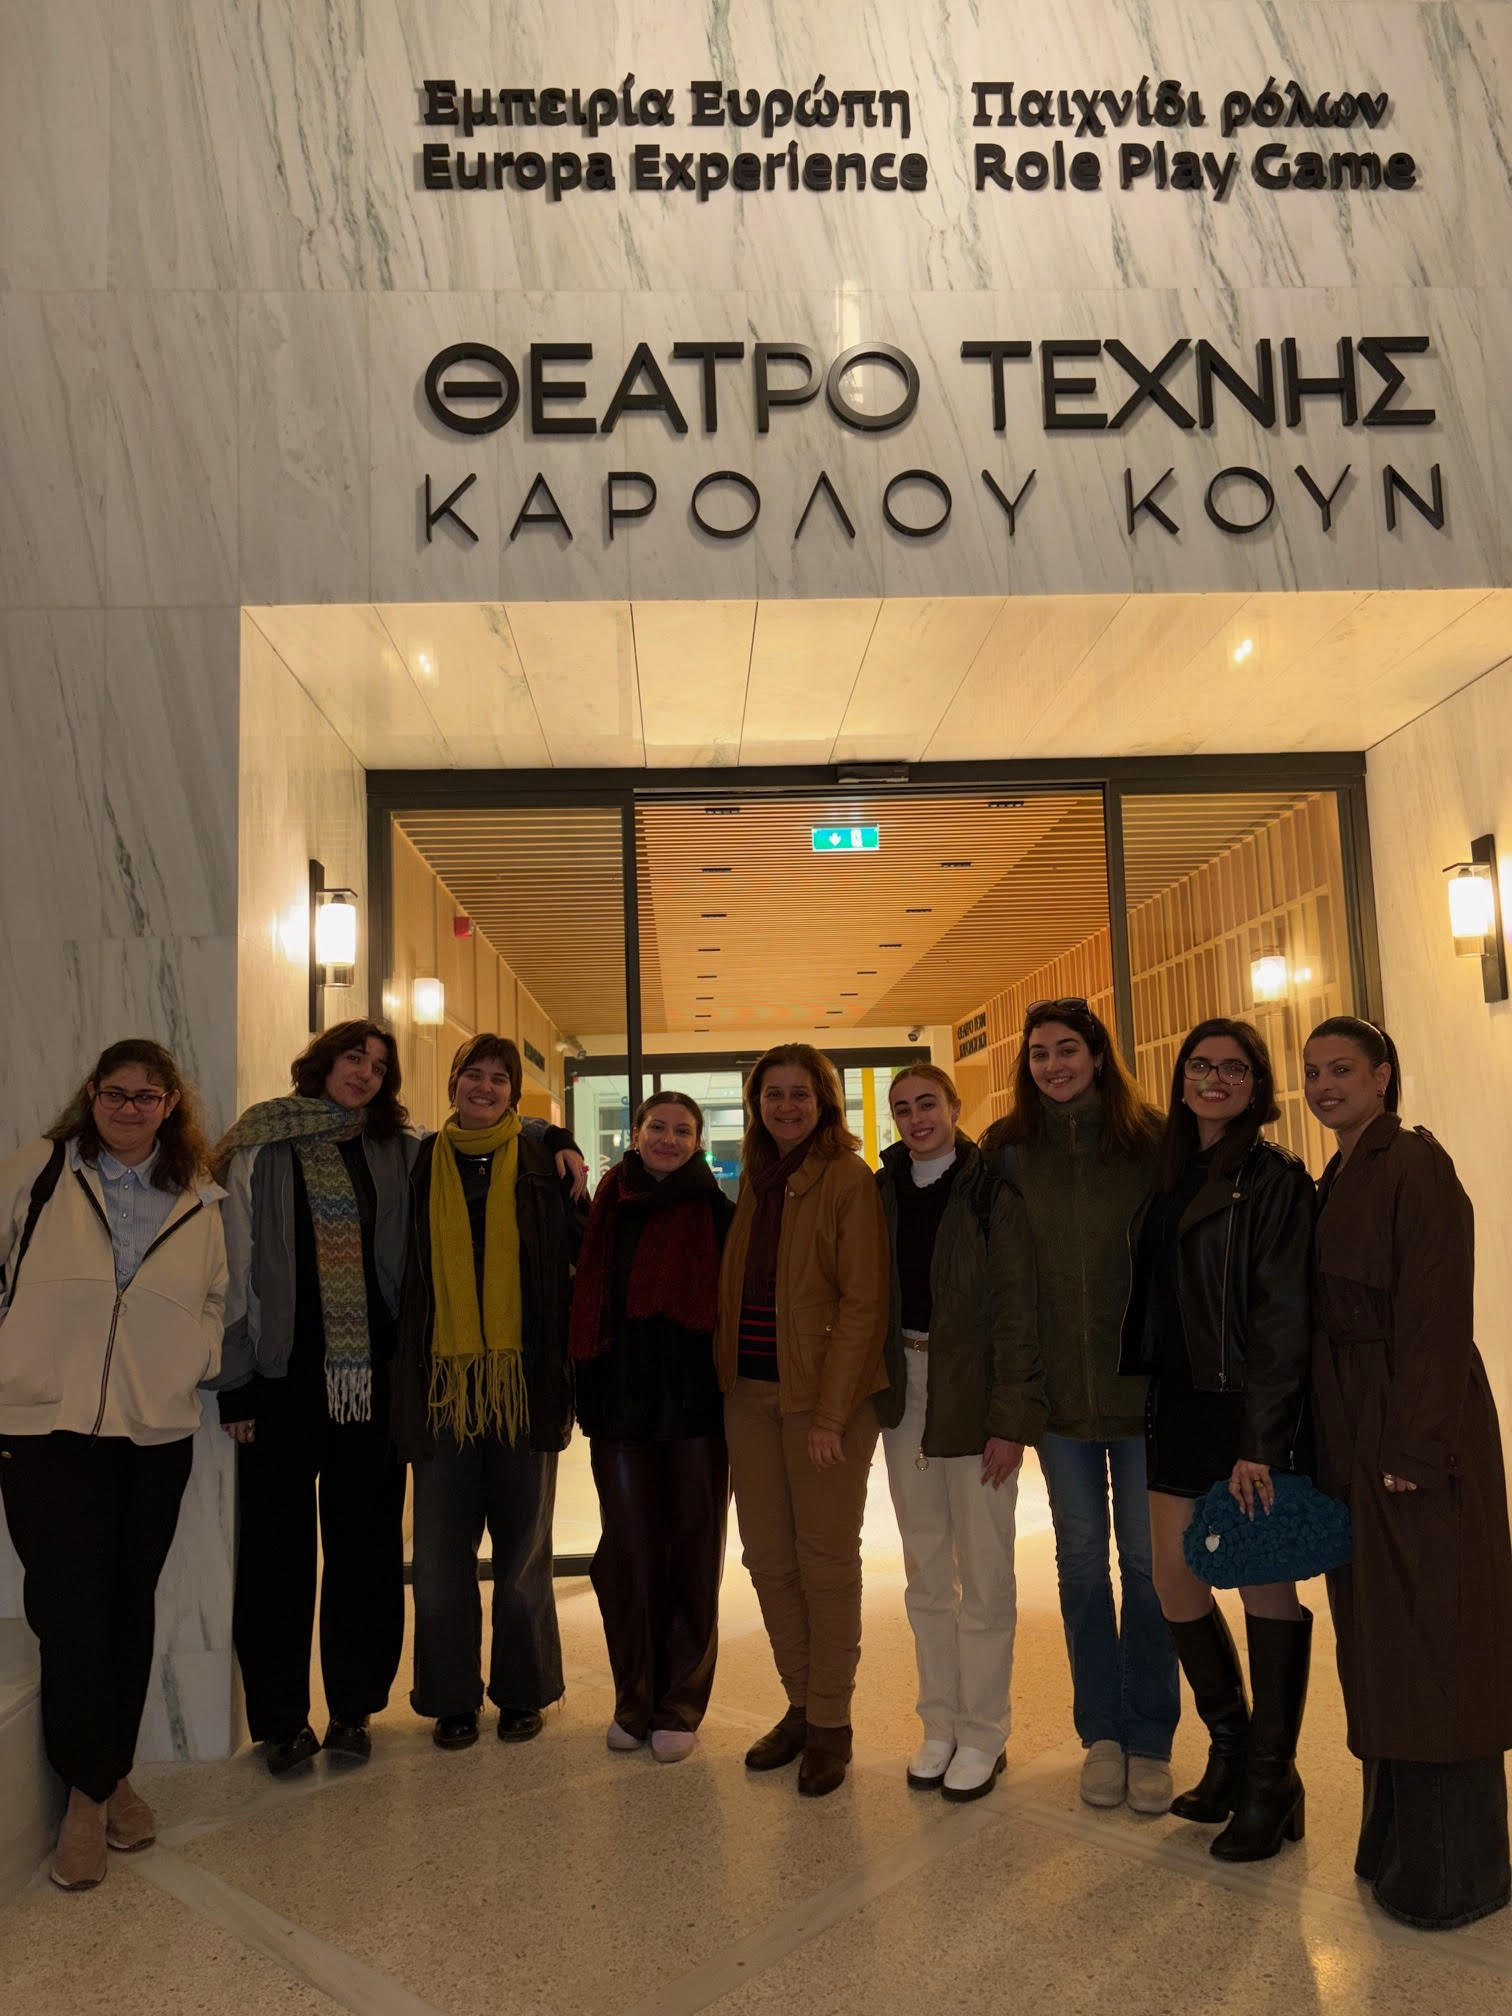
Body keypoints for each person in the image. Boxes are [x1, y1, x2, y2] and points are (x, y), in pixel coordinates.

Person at [0, 1040, 227, 1890]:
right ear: (92, 1095)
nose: (128, 1109)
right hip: (44, 1424)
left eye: (146, 1096)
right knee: (68, 1611)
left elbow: (215, 1295)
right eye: (115, 1094)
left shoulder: (197, 1193)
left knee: (127, 1606)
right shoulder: (40, 1169)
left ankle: (104, 1779)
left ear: (170, 1105)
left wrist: (194, 1353)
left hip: (153, 1433)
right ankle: (88, 1800)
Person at [1304, 1015, 1512, 1929]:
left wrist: (1416, 1448)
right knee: (1378, 1637)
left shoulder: (1415, 1165)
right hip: (1357, 1422)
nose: (1324, 1086)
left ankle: (1455, 1870)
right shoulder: (1340, 1171)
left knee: (1435, 1636)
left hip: (1413, 1428)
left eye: (1342, 1070)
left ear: (1383, 1075)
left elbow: (1436, 1309)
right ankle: (1394, 1840)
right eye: (1312, 1072)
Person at [1121, 1017, 1315, 1862]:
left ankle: (1273, 1780)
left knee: (1263, 1588)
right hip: (1178, 1405)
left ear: (1257, 1085)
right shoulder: (1169, 1170)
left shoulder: (1274, 1178)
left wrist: (1262, 1440)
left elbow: (1283, 1316)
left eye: (1234, 1069)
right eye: (1200, 1066)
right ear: (1181, 1079)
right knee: (1174, 1578)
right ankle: (1232, 1750)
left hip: (1245, 1414)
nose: (1214, 1080)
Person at [982, 1001, 1178, 1816]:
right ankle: (1101, 1732)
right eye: (1039, 1054)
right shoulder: (1008, 1152)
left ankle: (1151, 1737)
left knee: (1152, 1569)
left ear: (1098, 1056)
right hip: (1059, 1403)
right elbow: (1000, 1286)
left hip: (1145, 1400)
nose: (1053, 1065)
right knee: (1081, 1567)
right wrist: (1012, 1398)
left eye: (1068, 1050)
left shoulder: (1152, 1142)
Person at [214, 1020, 415, 1776]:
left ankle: (353, 1710)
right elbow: (232, 1266)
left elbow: (483, 1130)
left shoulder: (397, 1147)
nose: (364, 1073)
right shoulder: (261, 1143)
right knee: (276, 1552)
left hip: (371, 1380)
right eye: (354, 1057)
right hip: (282, 1378)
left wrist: (553, 1135)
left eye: (379, 1066)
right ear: (323, 1062)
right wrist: (235, 1382)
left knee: (366, 1547)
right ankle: (280, 1721)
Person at [393, 1034, 578, 1751]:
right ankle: (452, 1699)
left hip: (524, 1382)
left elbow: (576, 1254)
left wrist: (556, 1136)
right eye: (474, 1075)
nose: (486, 1087)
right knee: (440, 1554)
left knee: (524, 1550)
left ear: (513, 1095)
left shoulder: (540, 1162)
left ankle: (523, 1692)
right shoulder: (419, 1161)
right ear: (453, 1085)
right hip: (441, 1384)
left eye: (500, 1079)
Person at [715, 1043, 889, 1798]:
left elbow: (863, 1304)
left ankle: (830, 1722)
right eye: (773, 1094)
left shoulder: (847, 1178)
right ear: (756, 1104)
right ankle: (798, 1704)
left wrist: (831, 1413)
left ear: (823, 1102)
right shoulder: (756, 1178)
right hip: (748, 1397)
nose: (786, 1106)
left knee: (826, 1561)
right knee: (767, 1559)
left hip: (822, 1403)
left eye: (800, 1094)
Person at [876, 1065, 1045, 1802]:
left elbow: (1016, 1312)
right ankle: (939, 1724)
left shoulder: (990, 1195)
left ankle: (984, 1731)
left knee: (984, 1570)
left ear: (954, 1107)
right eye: (903, 1109)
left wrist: (1009, 1421)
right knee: (924, 1571)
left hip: (975, 1394)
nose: (917, 1119)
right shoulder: (881, 1192)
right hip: (907, 1389)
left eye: (928, 1104)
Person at [570, 1092, 734, 1762]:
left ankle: (680, 1703)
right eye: (657, 1127)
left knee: (692, 1551)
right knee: (629, 1555)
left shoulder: (719, 1213)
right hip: (619, 1405)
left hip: (696, 1410)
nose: (669, 1139)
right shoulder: (604, 1208)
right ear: (635, 1134)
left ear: (698, 1141)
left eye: (682, 1130)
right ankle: (633, 1696)